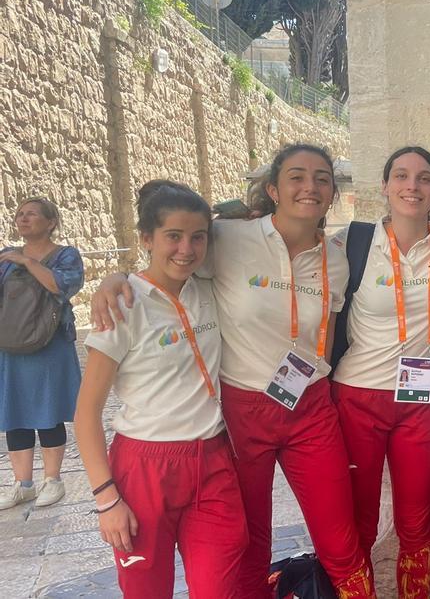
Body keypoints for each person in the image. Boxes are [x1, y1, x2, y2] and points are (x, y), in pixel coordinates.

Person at [91, 145, 374, 598]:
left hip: (311, 406)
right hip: (242, 414)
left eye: (323, 178)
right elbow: (174, 252)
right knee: (250, 543)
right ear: (272, 189)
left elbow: (329, 332)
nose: (311, 187)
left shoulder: (336, 258)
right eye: (297, 176)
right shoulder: (229, 238)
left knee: (339, 538)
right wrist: (117, 278)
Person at [75, 180, 247, 598]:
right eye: (173, 236)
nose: (186, 249)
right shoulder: (122, 305)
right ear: (146, 239)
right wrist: (107, 500)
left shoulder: (207, 288)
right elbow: (85, 415)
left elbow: (251, 225)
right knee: (147, 590)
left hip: (213, 460)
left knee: (219, 588)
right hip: (144, 467)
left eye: (197, 237)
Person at [330, 146, 430, 597]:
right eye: (402, 176)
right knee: (360, 518)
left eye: (424, 178)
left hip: (422, 400)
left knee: (415, 520)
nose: (412, 186)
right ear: (386, 186)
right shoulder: (350, 242)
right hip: (357, 396)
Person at [0, 197, 83, 510]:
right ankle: (22, 484)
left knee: (47, 411)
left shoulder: (66, 256)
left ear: (50, 222)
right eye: (20, 214)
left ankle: (53, 479)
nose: (23, 218)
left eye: (31, 214)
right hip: (11, 343)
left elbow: (61, 286)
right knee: (15, 413)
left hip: (50, 344)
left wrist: (27, 263)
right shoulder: (6, 257)